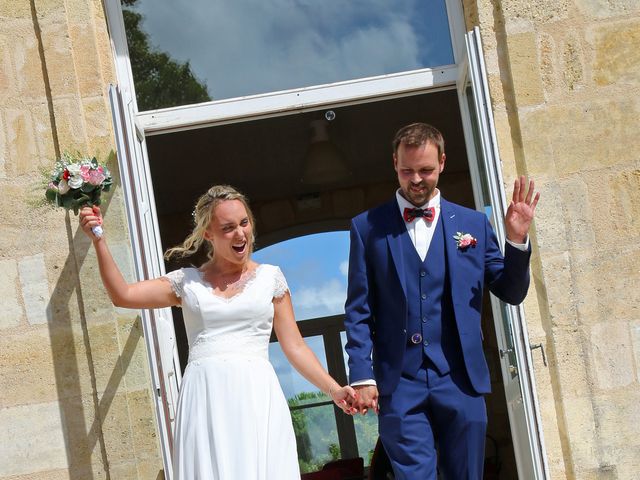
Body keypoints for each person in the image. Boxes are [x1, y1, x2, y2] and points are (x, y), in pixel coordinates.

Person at [79, 184, 357, 480]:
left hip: (255, 396)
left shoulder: (270, 278)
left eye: (244, 223)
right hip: (205, 399)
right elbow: (122, 295)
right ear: (208, 234)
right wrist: (99, 240)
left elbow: (295, 347)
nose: (240, 234)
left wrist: (334, 389)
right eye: (228, 228)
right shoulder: (186, 283)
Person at [343, 123, 540, 479]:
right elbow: (359, 310)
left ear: (443, 163)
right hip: (399, 383)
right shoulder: (366, 227)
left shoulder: (473, 225)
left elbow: (510, 291)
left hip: (460, 379)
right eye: (407, 170)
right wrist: (361, 375)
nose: (416, 180)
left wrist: (516, 240)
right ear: (394, 164)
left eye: (426, 170)